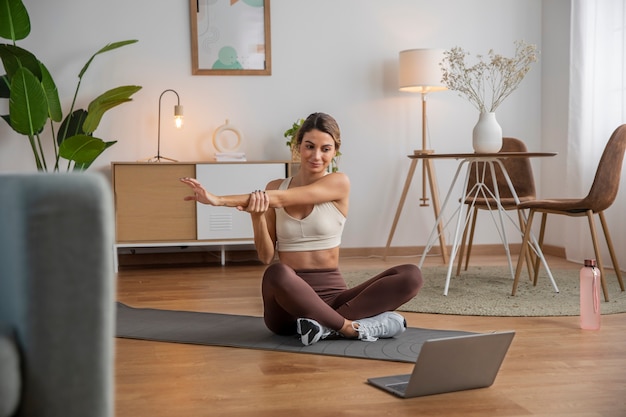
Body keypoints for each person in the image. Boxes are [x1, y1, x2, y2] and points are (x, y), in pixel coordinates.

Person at [180, 112, 423, 346]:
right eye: (309, 146)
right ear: (298, 147)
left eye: (325, 149)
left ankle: (324, 326)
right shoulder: (275, 187)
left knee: (411, 275)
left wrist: (219, 199)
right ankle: (349, 327)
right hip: (288, 306)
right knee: (277, 272)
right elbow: (265, 256)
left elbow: (285, 199)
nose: (316, 155)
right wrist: (257, 217)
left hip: (335, 296)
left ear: (335, 151)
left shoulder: (338, 183)